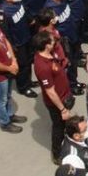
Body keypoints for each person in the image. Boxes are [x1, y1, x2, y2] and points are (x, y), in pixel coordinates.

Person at [34, 29, 74, 163]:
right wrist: (62, 109)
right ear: (46, 45)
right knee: (59, 127)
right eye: (52, 41)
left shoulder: (50, 55)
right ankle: (57, 154)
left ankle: (69, 144)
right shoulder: (42, 66)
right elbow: (50, 91)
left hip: (65, 96)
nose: (55, 43)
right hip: (58, 103)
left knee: (65, 124)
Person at [0, 0, 36, 98]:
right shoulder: (3, 12)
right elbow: (5, 32)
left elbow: (25, 12)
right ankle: (24, 87)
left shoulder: (18, 3)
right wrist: (12, 46)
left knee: (28, 62)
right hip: (17, 43)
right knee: (22, 65)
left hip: (26, 37)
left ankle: (29, 81)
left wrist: (30, 20)